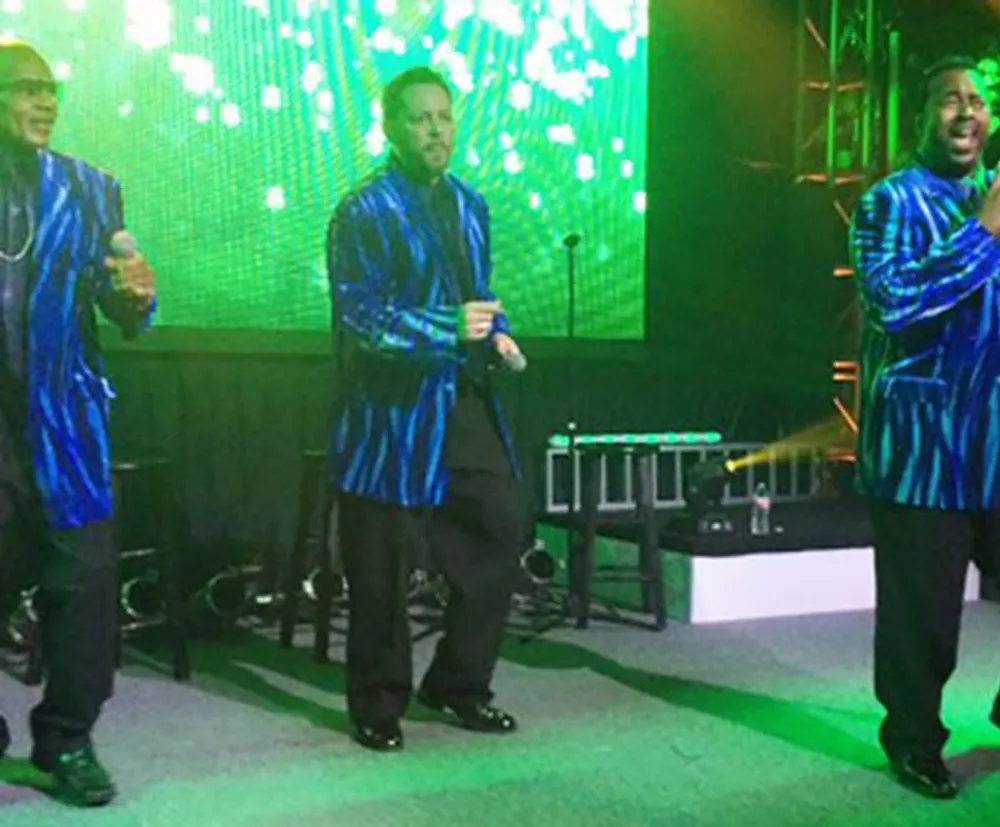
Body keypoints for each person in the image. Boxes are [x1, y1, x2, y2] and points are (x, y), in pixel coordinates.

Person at [326, 66, 523, 752]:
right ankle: (377, 703)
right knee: (381, 563)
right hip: (389, 411)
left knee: (503, 525)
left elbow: (476, 293)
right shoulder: (364, 210)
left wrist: (495, 333)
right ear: (391, 127)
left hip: (459, 399)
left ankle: (459, 682)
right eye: (420, 118)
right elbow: (363, 318)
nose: (436, 130)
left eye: (444, 116)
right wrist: (447, 328)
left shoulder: (470, 203)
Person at [0, 41, 155, 807]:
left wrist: (132, 294)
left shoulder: (92, 189)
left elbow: (122, 299)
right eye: (25, 88)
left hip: (63, 425)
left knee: (86, 584)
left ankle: (67, 740)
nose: (45, 102)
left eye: (50, 89)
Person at [850, 55, 1000, 800]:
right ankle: (911, 739)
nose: (968, 111)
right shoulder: (888, 203)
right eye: (950, 100)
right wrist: (984, 230)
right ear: (919, 117)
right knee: (924, 620)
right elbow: (896, 303)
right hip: (922, 452)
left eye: (979, 100)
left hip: (996, 444)